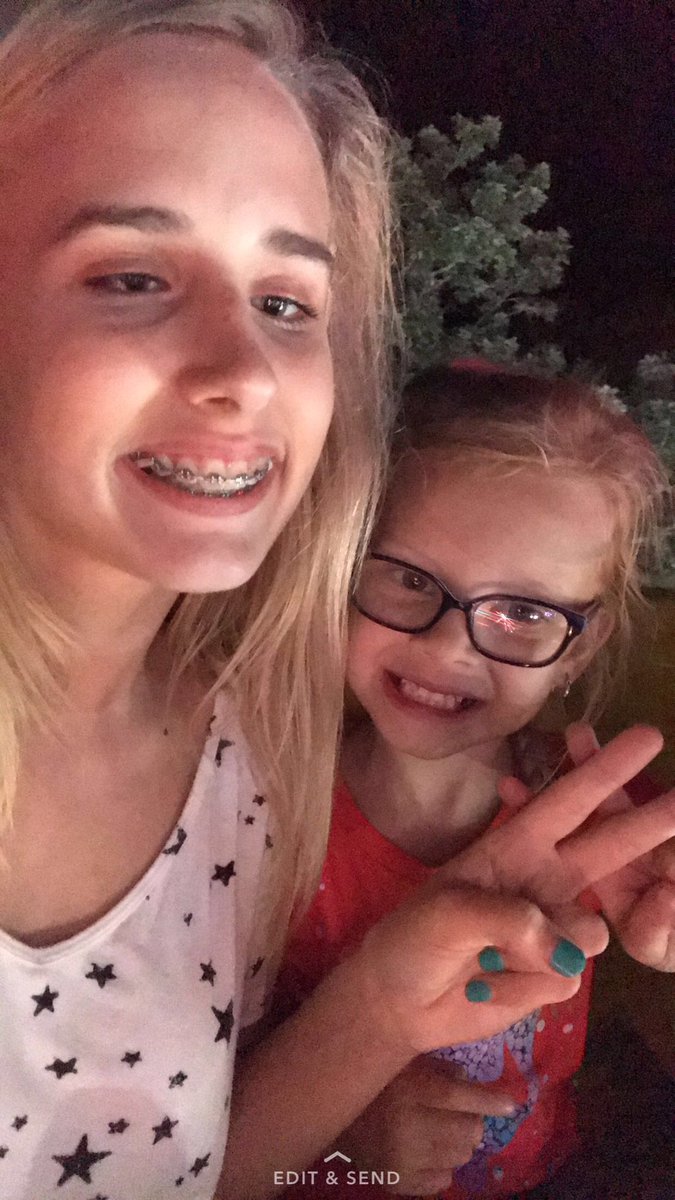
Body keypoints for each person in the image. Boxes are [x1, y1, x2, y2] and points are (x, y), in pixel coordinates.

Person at [6, 6, 662, 1199]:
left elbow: (187, 1171)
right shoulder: (285, 779)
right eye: (131, 276)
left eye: (287, 302)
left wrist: (381, 1005)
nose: (245, 372)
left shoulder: (240, 754)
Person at [277, 365, 675, 1198]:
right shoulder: (262, 819)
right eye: (412, 580)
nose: (449, 648)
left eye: (523, 613)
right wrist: (345, 1139)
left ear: (579, 650)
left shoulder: (599, 822)